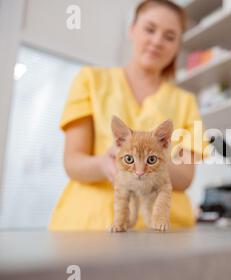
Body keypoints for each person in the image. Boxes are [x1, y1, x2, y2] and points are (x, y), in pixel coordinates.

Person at [49, 0, 208, 231]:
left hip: (167, 230)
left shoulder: (186, 102)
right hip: (89, 226)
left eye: (169, 36)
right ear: (132, 29)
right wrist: (104, 164)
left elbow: (185, 177)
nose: (157, 41)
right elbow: (72, 162)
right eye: (150, 29)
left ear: (177, 46)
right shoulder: (90, 80)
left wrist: (154, 157)